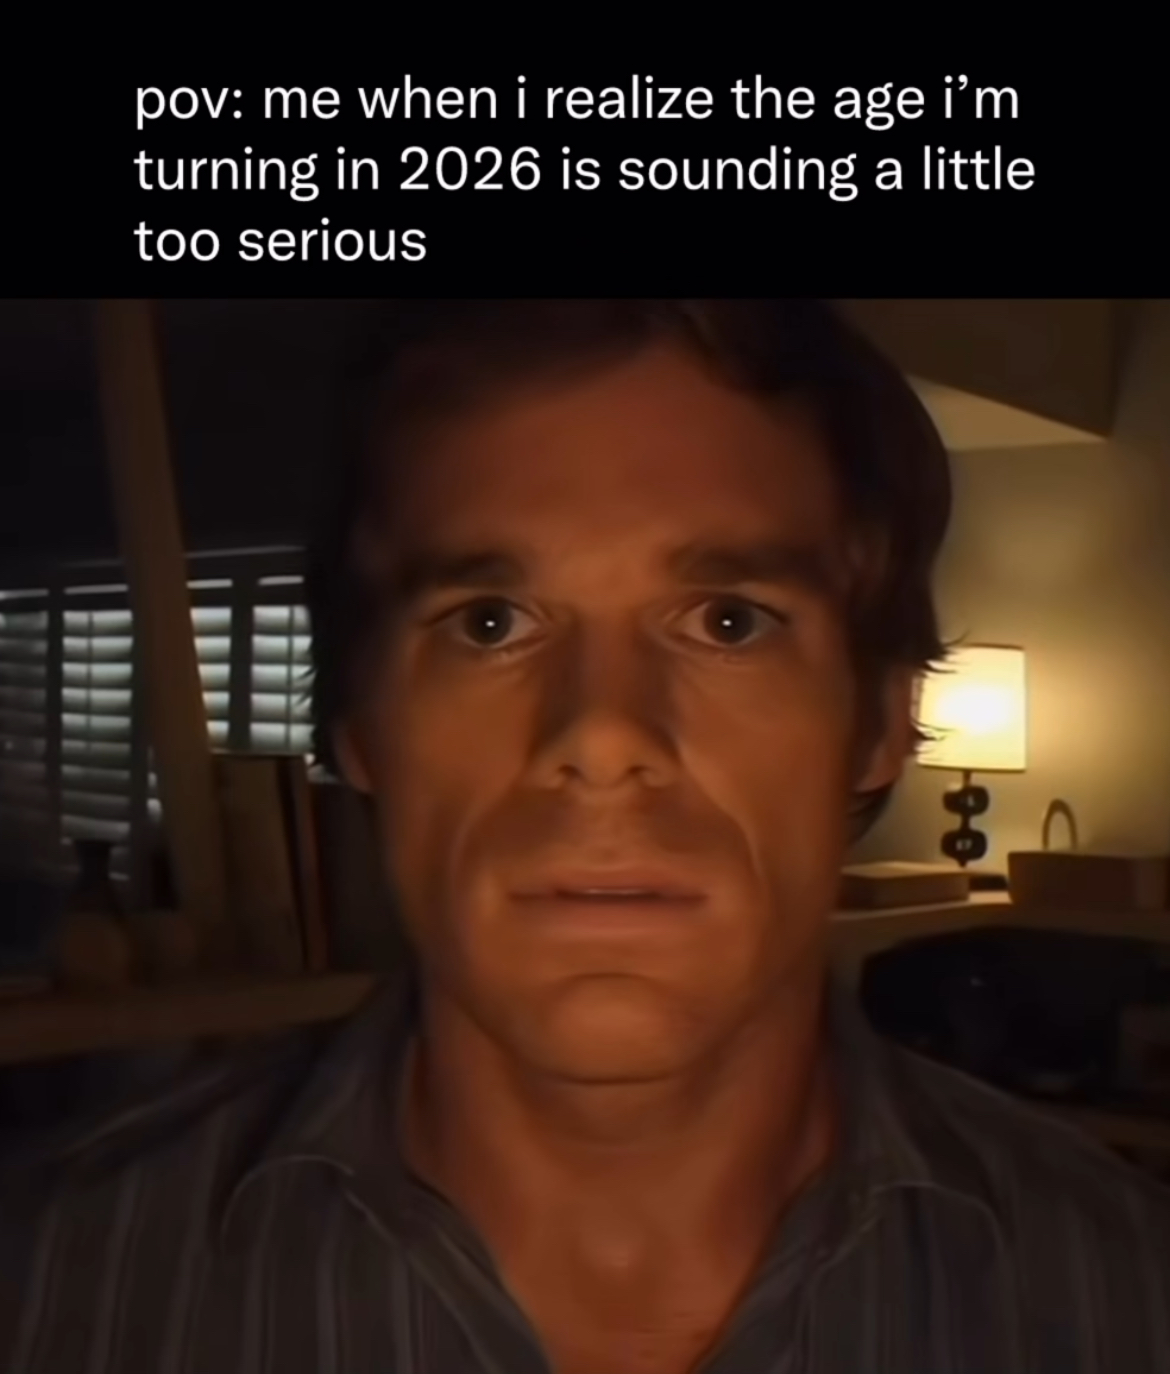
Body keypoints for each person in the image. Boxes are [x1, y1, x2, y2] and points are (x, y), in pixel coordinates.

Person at [2, 299, 1168, 1374]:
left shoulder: (1129, 1291)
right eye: (489, 622)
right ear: (360, 725)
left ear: (880, 723)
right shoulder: (48, 1283)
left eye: (730, 622)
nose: (603, 736)